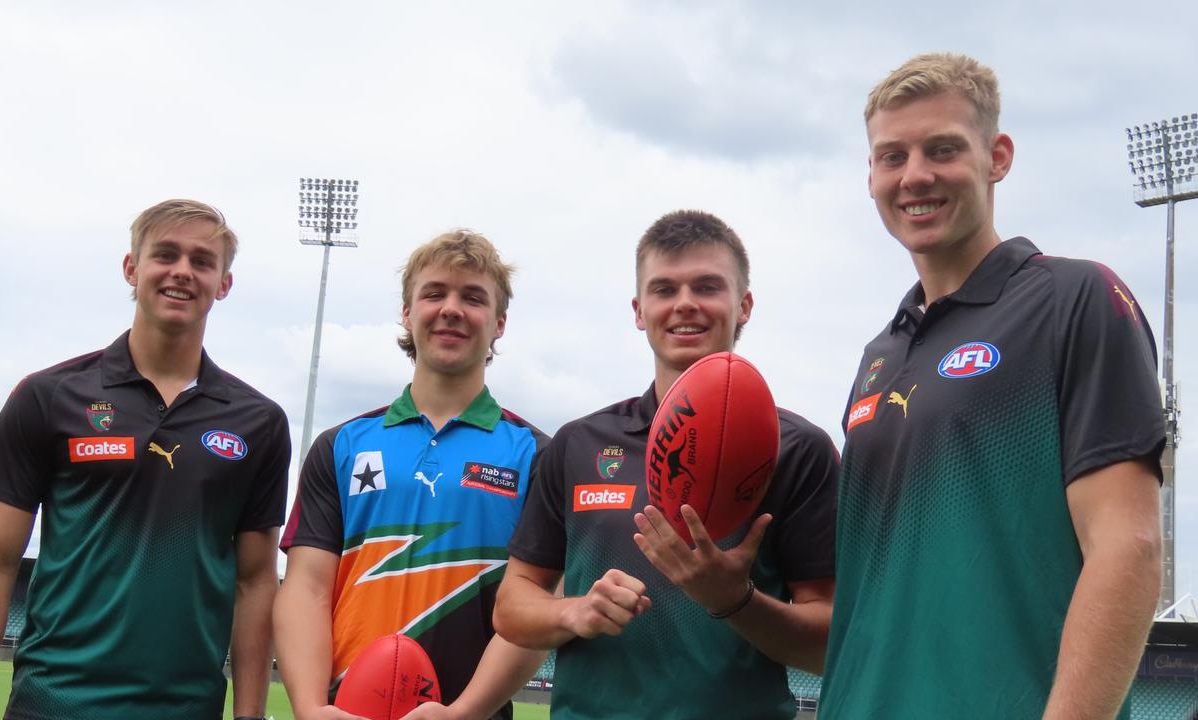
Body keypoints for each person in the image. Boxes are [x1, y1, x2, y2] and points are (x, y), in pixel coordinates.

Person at [819, 53, 1164, 720]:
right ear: (870, 176)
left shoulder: (1075, 298)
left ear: (997, 157)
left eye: (942, 149)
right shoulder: (877, 356)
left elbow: (1129, 547)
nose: (914, 175)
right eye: (892, 157)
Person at [0, 199, 291, 720]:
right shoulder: (48, 396)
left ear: (224, 283)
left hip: (186, 709)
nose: (182, 271)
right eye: (165, 254)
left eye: (202, 261)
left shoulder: (259, 421)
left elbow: (256, 580)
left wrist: (249, 713)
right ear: (132, 267)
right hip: (53, 703)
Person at [494, 210, 839, 720]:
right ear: (639, 309)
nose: (684, 304)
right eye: (664, 289)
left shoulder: (798, 449)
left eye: (707, 286)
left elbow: (829, 642)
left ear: (743, 305)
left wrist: (735, 600)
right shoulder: (579, 444)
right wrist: (577, 610)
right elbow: (511, 608)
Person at [275, 230, 548, 720]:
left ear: (499, 322)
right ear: (407, 311)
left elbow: (538, 607)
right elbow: (306, 590)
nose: (451, 309)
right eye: (434, 293)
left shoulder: (535, 454)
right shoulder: (341, 445)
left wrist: (464, 712)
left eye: (473, 297)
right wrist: (312, 709)